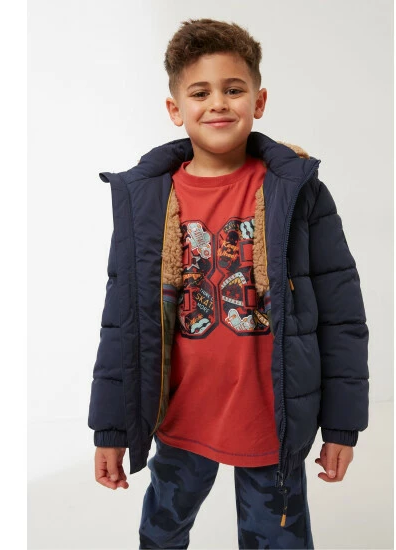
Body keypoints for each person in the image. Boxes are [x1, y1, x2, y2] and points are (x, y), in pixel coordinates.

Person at [88, 18, 369, 550]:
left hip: (271, 425)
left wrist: (342, 426)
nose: (217, 103)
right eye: (200, 92)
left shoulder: (298, 193)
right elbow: (121, 321)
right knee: (160, 534)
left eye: (233, 89)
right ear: (175, 109)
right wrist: (111, 429)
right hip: (179, 419)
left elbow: (342, 316)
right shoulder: (146, 202)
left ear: (258, 101)